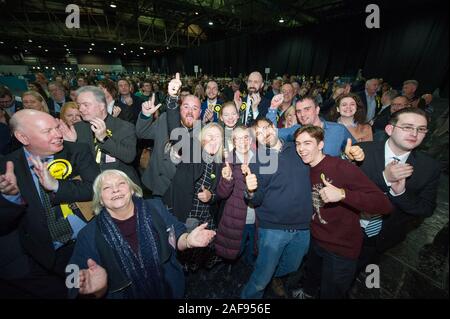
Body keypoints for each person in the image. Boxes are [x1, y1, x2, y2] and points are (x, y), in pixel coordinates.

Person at [67, 169, 216, 299]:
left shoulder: (155, 207)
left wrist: (188, 240)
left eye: (121, 184)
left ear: (131, 190)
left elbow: (176, 232)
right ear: (100, 199)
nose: (115, 190)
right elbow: (71, 276)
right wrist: (95, 290)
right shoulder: (88, 234)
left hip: (170, 289)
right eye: (107, 188)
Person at [0, 109, 99, 298]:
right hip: (36, 254)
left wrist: (56, 186)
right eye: (48, 131)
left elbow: (95, 189)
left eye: (57, 127)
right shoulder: (7, 167)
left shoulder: (77, 151)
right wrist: (10, 197)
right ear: (23, 137)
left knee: (83, 291)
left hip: (79, 243)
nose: (58, 134)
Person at [291, 125, 392, 299]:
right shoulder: (305, 168)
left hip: (341, 247)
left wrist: (343, 194)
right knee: (312, 277)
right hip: (316, 239)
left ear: (321, 144)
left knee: (332, 292)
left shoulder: (341, 167)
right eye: (298, 144)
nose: (301, 148)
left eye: (307, 143)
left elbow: (384, 204)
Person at [356, 108, 441, 270]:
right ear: (389, 129)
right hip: (348, 226)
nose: (415, 133)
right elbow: (343, 187)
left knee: (362, 268)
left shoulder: (429, 167)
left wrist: (400, 193)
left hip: (384, 236)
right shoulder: (361, 151)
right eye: (408, 127)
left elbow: (426, 209)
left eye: (421, 129)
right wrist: (384, 179)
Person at [240, 118, 312, 299]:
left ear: (274, 127)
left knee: (292, 266)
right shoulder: (257, 161)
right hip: (273, 229)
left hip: (302, 226)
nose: (264, 133)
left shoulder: (297, 150)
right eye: (258, 133)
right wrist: (249, 191)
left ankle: (276, 277)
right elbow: (256, 199)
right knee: (260, 279)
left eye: (266, 128)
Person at [60, 86, 140, 186]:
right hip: (91, 186)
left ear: (102, 106)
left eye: (86, 105)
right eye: (79, 105)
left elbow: (129, 157)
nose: (81, 109)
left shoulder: (124, 126)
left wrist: (104, 139)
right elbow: (72, 165)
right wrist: (72, 145)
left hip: (121, 184)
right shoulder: (77, 128)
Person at [268, 95, 364, 159]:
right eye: (298, 111)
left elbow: (356, 149)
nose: (302, 114)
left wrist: (355, 153)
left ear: (317, 110)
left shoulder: (338, 129)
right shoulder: (295, 130)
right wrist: (273, 108)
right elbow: (271, 133)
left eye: (307, 109)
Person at [215, 126, 257, 265]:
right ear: (233, 142)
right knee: (234, 251)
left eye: (245, 137)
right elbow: (222, 193)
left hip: (257, 217)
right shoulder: (229, 162)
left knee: (253, 251)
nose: (242, 141)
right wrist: (227, 179)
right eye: (238, 138)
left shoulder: (259, 159)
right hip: (237, 218)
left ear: (250, 139)